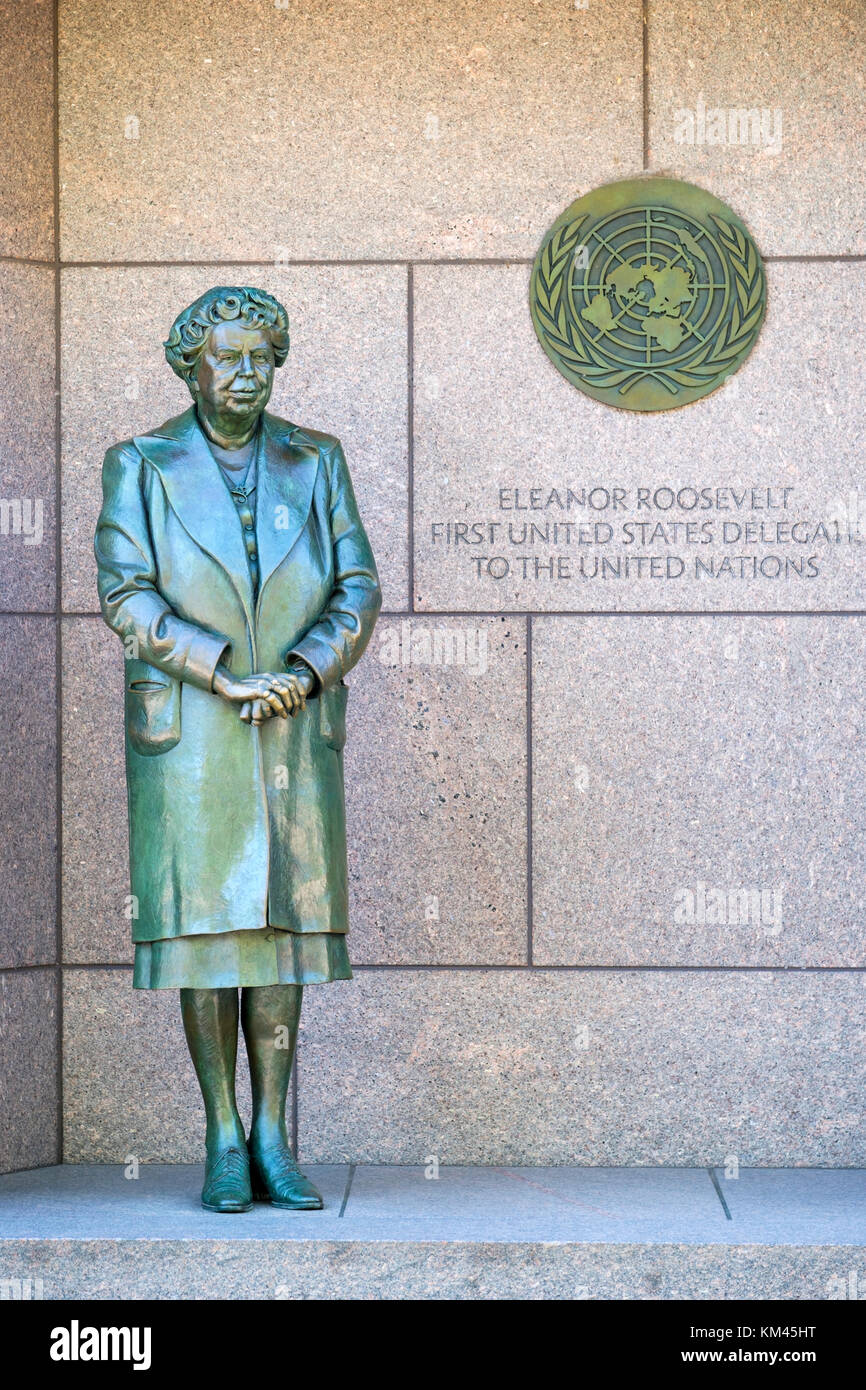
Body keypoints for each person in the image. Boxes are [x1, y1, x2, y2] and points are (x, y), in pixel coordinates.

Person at [94, 286, 381, 1212]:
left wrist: (305, 669)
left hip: (295, 722)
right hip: (194, 732)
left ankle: (274, 1134)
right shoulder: (141, 463)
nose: (248, 373)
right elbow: (126, 596)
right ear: (191, 363)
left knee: (282, 941)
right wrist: (221, 672)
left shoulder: (317, 458)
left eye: (262, 356)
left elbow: (358, 584)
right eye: (229, 357)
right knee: (208, 938)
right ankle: (222, 1133)